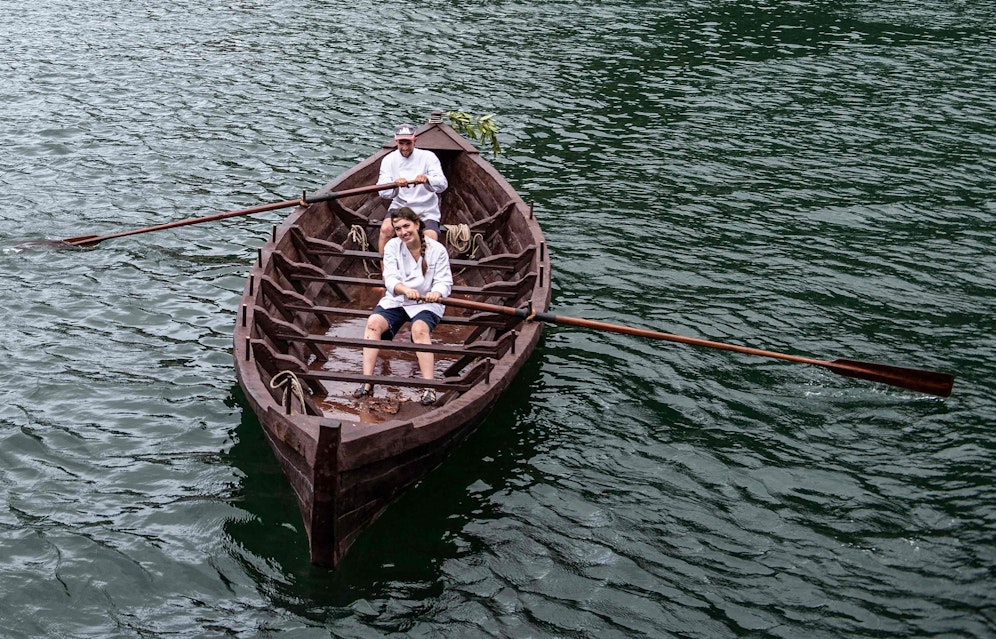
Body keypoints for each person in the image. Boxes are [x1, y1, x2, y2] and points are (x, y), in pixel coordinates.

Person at [354, 207, 454, 406]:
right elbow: (389, 278)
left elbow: (445, 281)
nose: (403, 232)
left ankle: (429, 388)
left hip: (427, 302)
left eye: (406, 226)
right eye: (398, 228)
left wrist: (437, 292)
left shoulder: (437, 250)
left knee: (419, 330)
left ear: (417, 225)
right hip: (398, 299)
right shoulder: (392, 246)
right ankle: (367, 383)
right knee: (373, 323)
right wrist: (404, 289)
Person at [376, 123, 448, 253]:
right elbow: (382, 192)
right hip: (400, 206)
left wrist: (427, 179)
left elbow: (442, 184)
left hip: (426, 208)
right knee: (386, 229)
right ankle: (385, 270)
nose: (404, 148)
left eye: (408, 143)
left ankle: (424, 270)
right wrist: (394, 184)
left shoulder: (428, 157)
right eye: (401, 143)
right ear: (396, 141)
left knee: (430, 239)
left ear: (415, 141)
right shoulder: (389, 160)